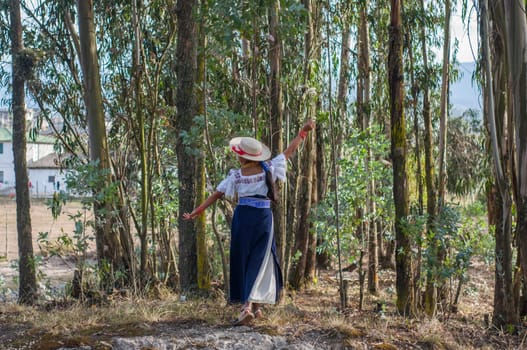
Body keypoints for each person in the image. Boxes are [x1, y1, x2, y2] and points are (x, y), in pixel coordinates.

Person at [183, 119, 315, 325]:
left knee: (243, 259)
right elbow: (289, 151)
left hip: (243, 218)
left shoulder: (236, 176)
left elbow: (216, 194)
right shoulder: (268, 169)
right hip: (263, 219)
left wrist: (196, 212)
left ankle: (247, 306)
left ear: (242, 156)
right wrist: (302, 133)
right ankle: (256, 306)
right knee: (260, 259)